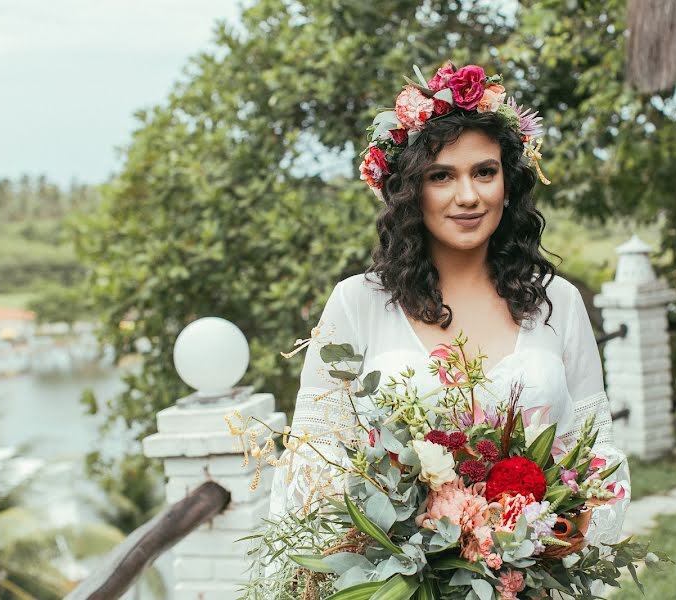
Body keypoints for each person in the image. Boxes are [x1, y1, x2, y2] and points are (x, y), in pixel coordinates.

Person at [267, 62, 629, 549]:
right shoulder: (356, 303)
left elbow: (596, 453)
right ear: (410, 191)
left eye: (485, 172)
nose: (468, 196)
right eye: (442, 176)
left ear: (508, 183)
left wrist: (550, 539)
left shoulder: (557, 302)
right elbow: (313, 463)